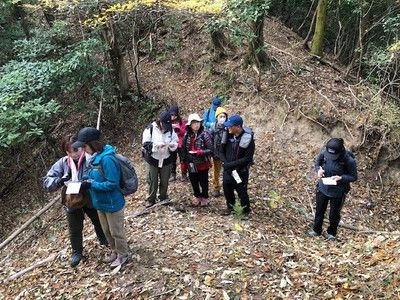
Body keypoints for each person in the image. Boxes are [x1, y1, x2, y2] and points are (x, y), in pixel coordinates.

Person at [43, 134, 108, 267]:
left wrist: (88, 181)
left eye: (76, 150)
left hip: (90, 195)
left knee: (98, 220)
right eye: (69, 152)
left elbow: (101, 173)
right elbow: (47, 181)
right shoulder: (63, 163)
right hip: (72, 199)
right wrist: (59, 181)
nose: (74, 154)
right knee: (74, 227)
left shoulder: (90, 158)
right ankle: (77, 252)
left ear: (81, 148)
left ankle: (104, 239)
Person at [71, 127, 129, 268]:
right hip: (100, 203)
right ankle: (115, 251)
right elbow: (92, 176)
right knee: (107, 231)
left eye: (84, 146)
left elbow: (112, 183)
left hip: (112, 202)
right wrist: (84, 181)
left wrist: (92, 185)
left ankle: (123, 255)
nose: (83, 150)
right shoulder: (94, 158)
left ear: (93, 144)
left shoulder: (107, 159)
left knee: (116, 232)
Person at [308, 138, 357, 241]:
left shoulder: (348, 160)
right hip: (323, 187)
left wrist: (341, 178)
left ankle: (332, 233)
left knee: (334, 214)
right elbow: (317, 163)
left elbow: (353, 176)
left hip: (338, 191)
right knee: (319, 211)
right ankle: (316, 230)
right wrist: (319, 170)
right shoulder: (324, 153)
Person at [219, 115, 255, 218]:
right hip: (228, 169)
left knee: (241, 191)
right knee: (227, 189)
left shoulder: (248, 139)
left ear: (238, 127)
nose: (228, 127)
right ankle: (230, 208)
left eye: (231, 126)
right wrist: (225, 163)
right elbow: (221, 150)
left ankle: (245, 211)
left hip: (240, 171)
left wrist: (230, 165)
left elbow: (247, 158)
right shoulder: (227, 135)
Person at [142, 111, 178, 207]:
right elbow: (145, 144)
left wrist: (172, 146)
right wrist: (156, 146)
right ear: (160, 122)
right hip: (152, 159)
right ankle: (150, 199)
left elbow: (175, 140)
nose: (166, 126)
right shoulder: (150, 129)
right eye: (164, 124)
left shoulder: (171, 130)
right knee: (152, 180)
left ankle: (163, 197)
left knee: (165, 179)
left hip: (166, 159)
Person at [182, 113, 214, 206]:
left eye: (198, 122)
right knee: (193, 180)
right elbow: (184, 149)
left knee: (203, 181)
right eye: (194, 123)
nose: (196, 125)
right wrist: (183, 161)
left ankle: (205, 197)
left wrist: (201, 152)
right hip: (191, 162)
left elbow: (211, 150)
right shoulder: (187, 135)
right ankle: (197, 196)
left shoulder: (205, 134)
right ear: (190, 125)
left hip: (202, 162)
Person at [210, 106, 228, 197]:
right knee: (216, 171)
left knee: (228, 171)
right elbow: (209, 139)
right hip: (216, 153)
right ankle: (216, 188)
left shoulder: (228, 127)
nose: (222, 118)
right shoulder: (213, 127)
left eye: (224, 116)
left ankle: (228, 187)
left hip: (226, 154)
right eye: (220, 116)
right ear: (217, 117)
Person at [168, 105, 188, 182]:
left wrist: (178, 128)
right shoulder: (168, 122)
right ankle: (173, 174)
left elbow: (184, 132)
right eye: (171, 115)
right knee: (172, 159)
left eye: (174, 115)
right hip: (171, 143)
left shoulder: (181, 122)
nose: (173, 117)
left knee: (183, 159)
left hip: (180, 143)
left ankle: (184, 174)